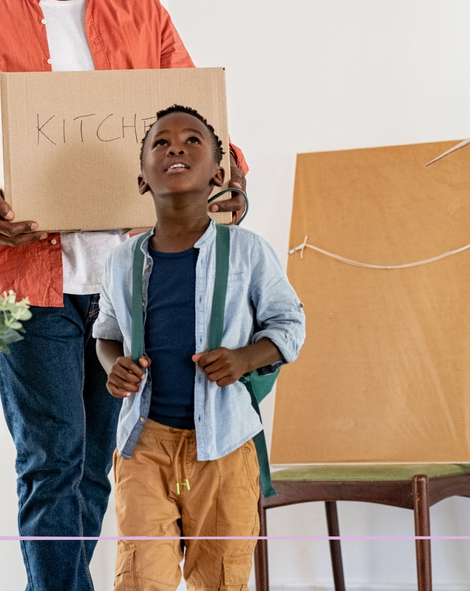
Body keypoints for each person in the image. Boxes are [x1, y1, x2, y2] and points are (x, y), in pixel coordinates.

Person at [0, 0, 249, 590]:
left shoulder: (142, 10)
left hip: (131, 280)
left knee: (104, 451)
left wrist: (231, 174)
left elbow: (195, 116)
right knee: (50, 455)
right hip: (29, 280)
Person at [94, 105, 305, 591]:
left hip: (226, 447)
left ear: (217, 172)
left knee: (221, 579)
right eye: (161, 143)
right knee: (140, 580)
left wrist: (245, 358)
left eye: (192, 141)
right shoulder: (123, 259)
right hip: (143, 444)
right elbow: (106, 329)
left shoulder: (247, 250)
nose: (175, 148)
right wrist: (113, 365)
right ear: (143, 176)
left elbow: (289, 323)